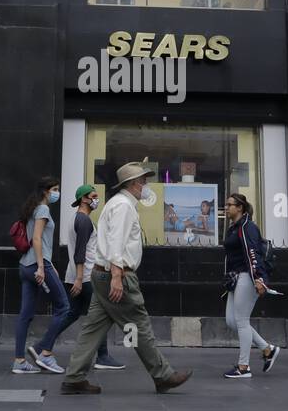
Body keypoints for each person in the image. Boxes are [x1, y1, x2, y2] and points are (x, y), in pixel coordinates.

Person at [61, 160, 191, 395]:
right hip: (115, 274)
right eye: (143, 181)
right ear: (132, 184)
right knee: (139, 325)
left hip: (101, 273)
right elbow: (116, 242)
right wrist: (118, 276)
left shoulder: (118, 203)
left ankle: (73, 377)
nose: (146, 185)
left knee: (93, 328)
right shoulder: (123, 206)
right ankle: (163, 375)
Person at [56, 184, 124, 370]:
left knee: (73, 313)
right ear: (84, 199)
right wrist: (80, 278)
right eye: (93, 196)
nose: (96, 199)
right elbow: (81, 252)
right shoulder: (84, 221)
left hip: (77, 275)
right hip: (85, 276)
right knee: (100, 314)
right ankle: (102, 356)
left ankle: (42, 345)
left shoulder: (75, 219)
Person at [13, 176, 71, 375]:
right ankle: (45, 352)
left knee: (25, 314)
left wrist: (48, 264)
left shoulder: (32, 209)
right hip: (38, 265)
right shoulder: (43, 209)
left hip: (25, 266)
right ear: (46, 191)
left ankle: (19, 361)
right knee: (64, 306)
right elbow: (37, 238)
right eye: (54, 189)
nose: (57, 193)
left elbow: (39, 240)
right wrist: (41, 266)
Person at [221, 192, 279, 378]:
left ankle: (243, 367)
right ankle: (267, 349)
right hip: (235, 278)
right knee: (232, 320)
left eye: (230, 205)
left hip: (248, 276)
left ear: (240, 208)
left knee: (241, 321)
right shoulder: (234, 227)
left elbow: (253, 254)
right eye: (227, 204)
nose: (226, 207)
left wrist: (259, 278)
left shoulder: (247, 227)